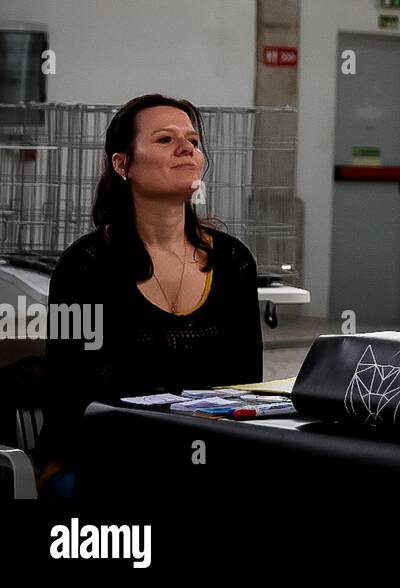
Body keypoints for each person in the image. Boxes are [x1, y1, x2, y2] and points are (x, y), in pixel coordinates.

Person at [35, 94, 263, 495]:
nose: (187, 148)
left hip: (211, 457)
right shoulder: (84, 267)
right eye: (164, 139)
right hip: (109, 459)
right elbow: (71, 400)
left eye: (192, 140)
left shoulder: (233, 261)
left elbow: (245, 390)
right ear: (123, 164)